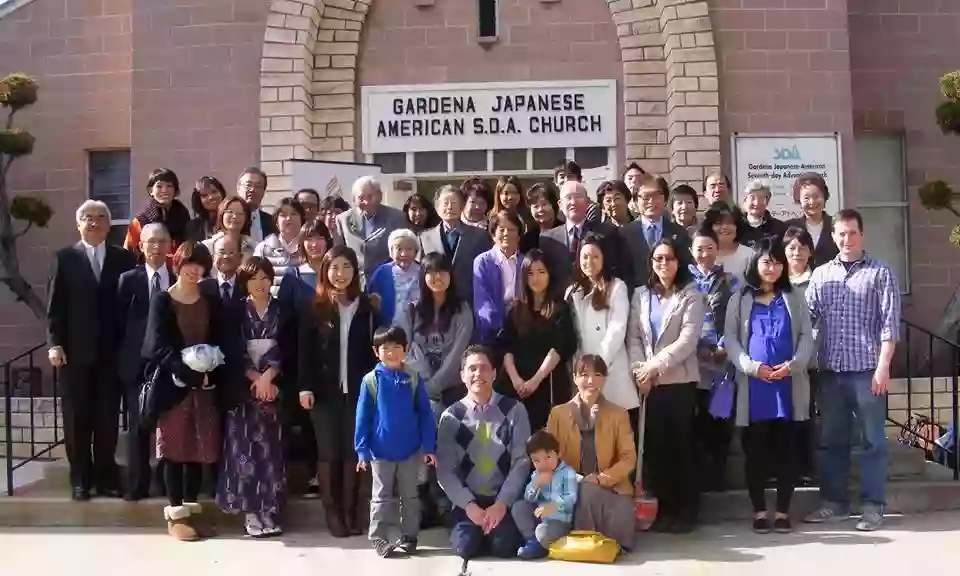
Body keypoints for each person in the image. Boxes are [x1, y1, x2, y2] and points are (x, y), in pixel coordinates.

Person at [803, 209, 901, 532]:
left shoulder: (880, 273)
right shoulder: (820, 275)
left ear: (862, 234)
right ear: (833, 237)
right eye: (841, 234)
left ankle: (873, 506)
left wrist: (883, 367)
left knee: (873, 441)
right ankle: (834, 503)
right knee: (833, 440)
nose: (847, 239)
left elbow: (889, 325)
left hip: (867, 372)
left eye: (852, 233)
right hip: (831, 372)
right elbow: (807, 320)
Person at [46, 200, 136, 501]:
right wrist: (54, 344)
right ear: (78, 224)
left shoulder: (122, 258)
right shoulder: (65, 258)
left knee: (107, 420)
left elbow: (130, 307)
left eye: (100, 218)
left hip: (111, 355)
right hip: (75, 354)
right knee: (77, 419)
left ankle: (107, 479)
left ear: (109, 226)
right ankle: (80, 480)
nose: (94, 222)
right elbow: (55, 308)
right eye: (87, 217)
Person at [724, 239, 815, 533]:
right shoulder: (740, 298)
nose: (772, 267)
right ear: (756, 265)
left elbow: (806, 337)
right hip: (755, 387)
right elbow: (732, 341)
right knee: (756, 454)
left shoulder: (794, 297)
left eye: (777, 262)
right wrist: (752, 367)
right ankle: (760, 511)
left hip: (787, 386)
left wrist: (792, 366)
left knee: (786, 453)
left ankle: (784, 511)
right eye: (766, 262)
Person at [142, 241, 227, 541]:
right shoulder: (162, 300)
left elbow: (220, 339)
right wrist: (188, 374)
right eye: (189, 263)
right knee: (175, 451)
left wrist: (211, 371)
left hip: (204, 387)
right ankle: (175, 512)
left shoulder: (210, 300)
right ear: (178, 264)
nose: (194, 269)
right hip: (174, 387)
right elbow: (157, 346)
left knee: (196, 450)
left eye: (200, 265)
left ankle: (191, 512)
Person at [298, 246, 379, 537]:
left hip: (359, 391)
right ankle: (333, 514)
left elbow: (376, 352)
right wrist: (304, 387)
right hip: (323, 392)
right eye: (334, 268)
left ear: (354, 272)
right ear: (325, 271)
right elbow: (303, 352)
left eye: (346, 267)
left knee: (354, 453)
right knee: (329, 452)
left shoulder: (367, 308)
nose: (340, 274)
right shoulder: (315, 307)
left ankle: (352, 512)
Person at [626, 237, 706, 533]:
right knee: (656, 450)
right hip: (648, 385)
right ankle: (664, 509)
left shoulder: (691, 294)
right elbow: (634, 338)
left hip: (679, 381)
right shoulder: (640, 295)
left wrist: (653, 367)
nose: (663, 264)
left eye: (669, 258)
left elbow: (688, 340)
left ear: (678, 262)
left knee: (680, 447)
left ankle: (686, 511)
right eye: (658, 259)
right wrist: (639, 371)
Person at [216, 256, 293, 537]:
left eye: (265, 277)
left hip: (274, 387)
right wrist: (253, 377)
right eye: (254, 278)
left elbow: (287, 347)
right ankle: (250, 512)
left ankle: (269, 510)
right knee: (243, 451)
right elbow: (232, 350)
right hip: (243, 390)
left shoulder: (283, 310)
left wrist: (269, 376)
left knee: (271, 451)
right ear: (244, 282)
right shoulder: (234, 311)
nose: (260, 283)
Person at [436, 345, 531, 561]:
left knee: (504, 547)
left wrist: (501, 504)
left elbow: (521, 462)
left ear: (495, 373)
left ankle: (493, 531)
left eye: (484, 368)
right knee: (465, 548)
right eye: (472, 369)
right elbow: (445, 471)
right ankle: (475, 529)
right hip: (469, 501)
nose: (478, 374)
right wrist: (469, 506)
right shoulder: (451, 417)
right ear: (462, 375)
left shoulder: (514, 410)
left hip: (501, 498)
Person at [355, 326, 437, 557]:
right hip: (380, 451)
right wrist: (362, 450)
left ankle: (409, 536)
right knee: (381, 497)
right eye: (386, 348)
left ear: (406, 349)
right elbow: (363, 417)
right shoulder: (370, 381)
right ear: (376, 351)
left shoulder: (412, 378)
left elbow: (424, 414)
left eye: (397, 347)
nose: (391, 353)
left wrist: (429, 447)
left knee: (410, 496)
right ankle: (379, 538)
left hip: (410, 450)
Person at [544, 355, 637, 549]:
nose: (591, 381)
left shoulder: (618, 414)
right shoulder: (558, 414)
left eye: (597, 374)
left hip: (611, 488)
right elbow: (547, 456)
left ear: (604, 379)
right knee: (582, 493)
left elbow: (628, 458)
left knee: (620, 526)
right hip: (569, 487)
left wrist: (601, 478)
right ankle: (581, 541)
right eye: (584, 374)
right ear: (575, 378)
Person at [116, 223, 174, 501]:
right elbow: (117, 324)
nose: (157, 247)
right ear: (141, 246)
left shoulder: (178, 278)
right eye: (151, 242)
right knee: (138, 426)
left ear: (170, 246)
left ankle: (167, 483)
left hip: (171, 363)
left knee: (171, 425)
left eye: (163, 242)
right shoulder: (128, 280)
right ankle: (137, 484)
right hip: (136, 364)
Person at [497, 249, 577, 430]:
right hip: (516, 385)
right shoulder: (516, 309)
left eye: (541, 272)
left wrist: (535, 380)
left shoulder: (559, 308)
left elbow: (560, 347)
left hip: (547, 384)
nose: (536, 278)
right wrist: (516, 380)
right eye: (530, 273)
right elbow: (506, 347)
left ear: (550, 274)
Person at [397, 253, 474, 416]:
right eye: (431, 272)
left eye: (443, 271)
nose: (437, 277)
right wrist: (423, 385)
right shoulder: (411, 309)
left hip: (453, 389)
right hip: (417, 386)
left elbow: (457, 354)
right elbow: (403, 350)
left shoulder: (462, 310)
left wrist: (434, 386)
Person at [689, 227, 736, 493]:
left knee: (720, 420)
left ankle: (718, 477)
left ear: (717, 250)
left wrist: (722, 346)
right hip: (692, 362)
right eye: (699, 248)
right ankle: (699, 478)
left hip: (721, 364)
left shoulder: (730, 281)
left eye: (709, 248)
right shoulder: (684, 280)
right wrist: (697, 346)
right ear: (691, 251)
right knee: (696, 423)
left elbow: (737, 317)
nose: (704, 253)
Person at [566, 233, 635, 412]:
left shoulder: (616, 286)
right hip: (582, 373)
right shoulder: (573, 290)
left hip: (609, 368)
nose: (589, 261)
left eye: (595, 256)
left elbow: (617, 327)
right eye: (585, 256)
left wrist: (599, 363)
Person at [539, 181, 628, 291]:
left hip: (597, 301)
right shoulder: (547, 239)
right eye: (568, 197)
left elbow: (619, 271)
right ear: (560, 205)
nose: (573, 202)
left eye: (578, 197)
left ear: (587, 202)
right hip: (560, 304)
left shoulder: (607, 233)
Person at [784, 226, 820, 482]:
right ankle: (783, 468)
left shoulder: (819, 279)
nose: (797, 253)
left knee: (804, 416)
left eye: (802, 247)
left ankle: (805, 469)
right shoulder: (774, 279)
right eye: (792, 248)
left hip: (809, 360)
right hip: (780, 360)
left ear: (810, 251)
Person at [419, 184, 492, 306]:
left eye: (454, 203)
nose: (450, 207)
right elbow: (420, 273)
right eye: (446, 203)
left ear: (462, 207)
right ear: (437, 208)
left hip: (469, 301)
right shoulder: (424, 238)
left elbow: (486, 272)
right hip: (436, 303)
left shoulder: (480, 236)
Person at [511, 431, 578, 559]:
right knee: (519, 507)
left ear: (558, 453)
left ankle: (540, 544)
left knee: (543, 532)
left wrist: (552, 507)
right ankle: (532, 540)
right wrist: (536, 484)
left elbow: (570, 497)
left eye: (547, 458)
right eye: (537, 461)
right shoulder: (537, 474)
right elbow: (528, 497)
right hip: (539, 517)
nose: (543, 464)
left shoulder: (567, 473)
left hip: (558, 521)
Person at [334, 176, 410, 286]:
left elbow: (405, 251)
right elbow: (339, 253)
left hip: (388, 281)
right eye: (361, 198)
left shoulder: (397, 217)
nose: (366, 202)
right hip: (353, 282)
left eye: (370, 196)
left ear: (380, 196)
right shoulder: (342, 219)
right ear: (354, 199)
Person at [621, 173, 690, 291]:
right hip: (637, 301)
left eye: (656, 195)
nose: (651, 201)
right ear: (636, 201)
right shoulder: (624, 234)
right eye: (645, 197)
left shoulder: (679, 232)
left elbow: (685, 269)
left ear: (665, 199)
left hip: (672, 298)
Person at [473, 210, 524, 346]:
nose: (506, 234)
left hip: (521, 327)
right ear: (493, 235)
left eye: (512, 230)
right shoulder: (483, 261)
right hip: (492, 330)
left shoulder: (525, 262)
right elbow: (483, 301)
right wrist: (501, 328)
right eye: (502, 230)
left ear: (519, 236)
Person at [124, 168, 192, 258]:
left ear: (176, 191)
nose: (164, 190)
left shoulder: (184, 216)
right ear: (151, 191)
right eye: (159, 186)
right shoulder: (140, 221)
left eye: (169, 186)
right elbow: (128, 254)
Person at [365, 228, 421, 328]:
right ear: (391, 251)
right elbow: (371, 303)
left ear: (416, 252)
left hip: (418, 329)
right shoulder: (382, 272)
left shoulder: (423, 272)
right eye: (399, 249)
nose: (404, 254)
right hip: (389, 330)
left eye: (409, 249)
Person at [785, 172, 839, 268]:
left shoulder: (837, 225)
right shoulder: (789, 227)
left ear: (825, 197)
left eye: (816, 196)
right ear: (799, 200)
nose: (812, 202)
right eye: (806, 198)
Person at [276, 219, 333, 310]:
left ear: (327, 242)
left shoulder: (336, 274)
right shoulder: (292, 276)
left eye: (320, 239)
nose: (314, 244)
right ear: (302, 243)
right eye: (309, 239)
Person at [254, 197, 306, 294]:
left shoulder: (309, 247)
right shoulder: (263, 248)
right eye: (283, 215)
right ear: (276, 222)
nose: (289, 218)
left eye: (293, 214)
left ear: (302, 219)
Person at [703, 201, 753, 287]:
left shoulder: (749, 255)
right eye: (718, 223)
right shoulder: (703, 253)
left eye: (730, 222)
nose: (725, 227)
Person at [201, 195, 256, 273]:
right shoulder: (206, 247)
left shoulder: (254, 247)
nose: (235, 216)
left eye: (240, 213)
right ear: (221, 214)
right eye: (230, 212)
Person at [237, 167, 279, 244]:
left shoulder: (271, 222)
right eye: (248, 185)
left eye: (258, 186)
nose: (252, 189)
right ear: (238, 188)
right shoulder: (228, 218)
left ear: (263, 192)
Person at [739, 180, 787, 247]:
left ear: (767, 201)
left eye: (761, 198)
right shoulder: (736, 226)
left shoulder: (780, 228)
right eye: (752, 197)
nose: (757, 203)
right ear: (745, 200)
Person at [186, 176, 226, 242]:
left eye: (214, 192)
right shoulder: (193, 226)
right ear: (199, 200)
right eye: (204, 195)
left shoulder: (233, 219)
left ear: (222, 193)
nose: (211, 197)